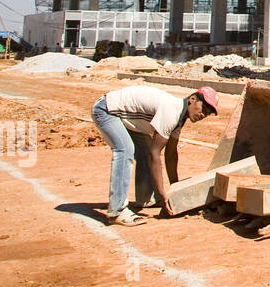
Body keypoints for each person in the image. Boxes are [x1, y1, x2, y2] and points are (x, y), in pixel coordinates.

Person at [90, 85, 218, 226]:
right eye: (203, 109)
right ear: (192, 99)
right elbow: (155, 154)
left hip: (125, 117)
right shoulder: (172, 112)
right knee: (125, 150)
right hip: (106, 110)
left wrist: (176, 190)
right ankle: (117, 211)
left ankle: (146, 199)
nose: (203, 115)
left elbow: (171, 154)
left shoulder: (179, 118)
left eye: (207, 113)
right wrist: (163, 194)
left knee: (144, 149)